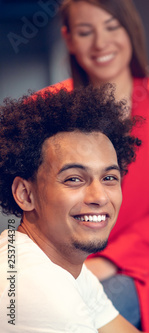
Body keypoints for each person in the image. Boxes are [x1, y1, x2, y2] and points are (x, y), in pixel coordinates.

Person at [50, 0, 149, 331]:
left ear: (130, 29)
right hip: (69, 264)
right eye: (85, 31)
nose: (101, 43)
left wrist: (110, 259)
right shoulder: (51, 107)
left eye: (111, 27)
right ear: (69, 39)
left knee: (82, 316)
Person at [0, 85, 141, 332]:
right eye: (74, 179)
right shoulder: (35, 285)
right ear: (25, 194)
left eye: (109, 178)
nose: (99, 197)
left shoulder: (63, 266)